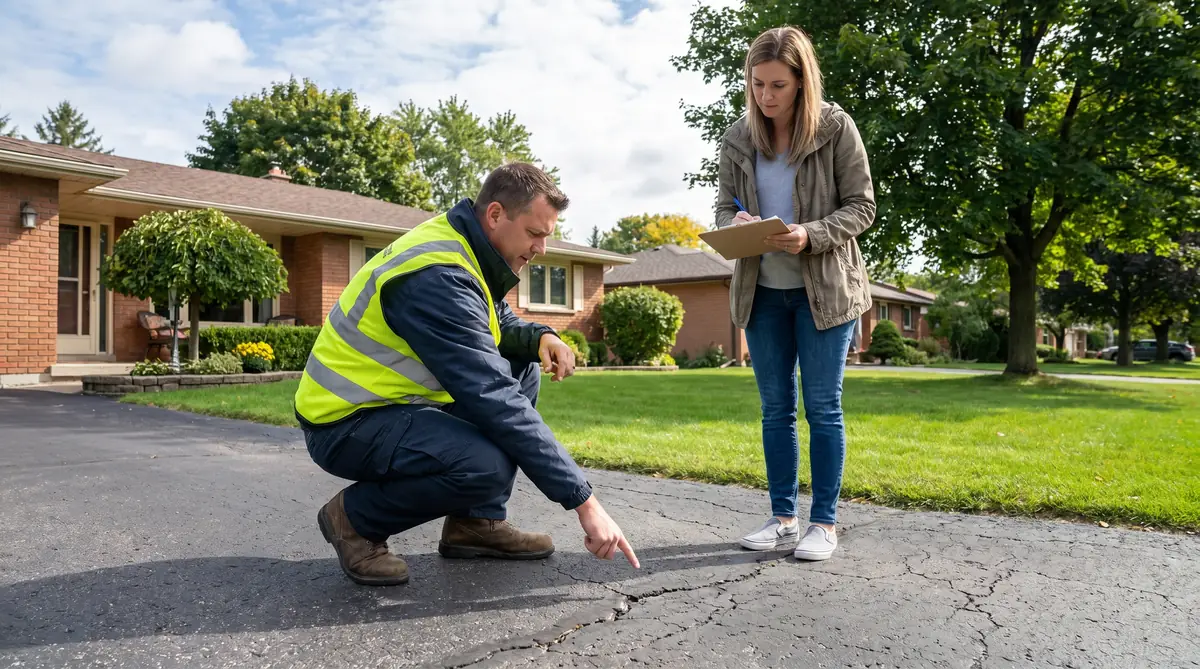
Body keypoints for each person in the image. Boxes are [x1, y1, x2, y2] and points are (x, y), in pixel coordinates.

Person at [294, 162, 639, 586]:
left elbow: (492, 320)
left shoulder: (467, 247)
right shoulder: (437, 276)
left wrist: (540, 337)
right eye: (535, 233)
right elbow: (493, 397)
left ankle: (475, 523)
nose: (542, 249)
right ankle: (354, 519)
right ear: (495, 214)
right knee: (484, 465)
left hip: (392, 405)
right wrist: (586, 503)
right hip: (345, 421)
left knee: (523, 368)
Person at [713, 26, 875, 561]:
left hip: (825, 292)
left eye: (777, 85)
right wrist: (735, 222)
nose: (765, 96)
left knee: (822, 408)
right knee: (775, 409)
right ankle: (783, 518)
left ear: (802, 81)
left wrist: (811, 234)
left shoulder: (835, 128)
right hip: (762, 293)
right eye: (757, 84)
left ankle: (823, 524)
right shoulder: (737, 138)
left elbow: (862, 206)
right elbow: (723, 207)